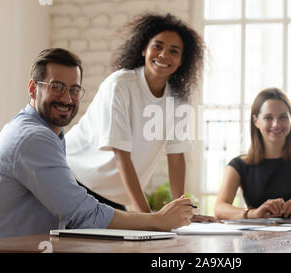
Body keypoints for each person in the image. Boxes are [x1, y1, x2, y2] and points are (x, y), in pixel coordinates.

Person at [0, 48, 193, 241]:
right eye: (56, 87)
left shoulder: (47, 133)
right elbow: (82, 214)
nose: (67, 99)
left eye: (74, 89)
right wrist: (157, 220)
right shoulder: (32, 137)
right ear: (33, 89)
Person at [65, 13, 213, 222]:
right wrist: (150, 219)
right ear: (144, 49)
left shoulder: (178, 99)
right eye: (158, 46)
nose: (163, 55)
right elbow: (121, 156)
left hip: (111, 195)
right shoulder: (120, 85)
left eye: (174, 51)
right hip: (75, 179)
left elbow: (176, 156)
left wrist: (183, 211)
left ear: (182, 61)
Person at [214, 88, 291, 220]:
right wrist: (253, 214)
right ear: (256, 120)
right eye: (268, 117)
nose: (276, 124)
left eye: (283, 117)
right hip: (255, 239)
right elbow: (220, 208)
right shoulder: (238, 165)